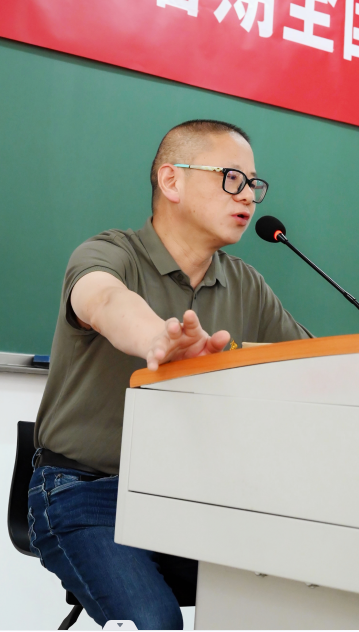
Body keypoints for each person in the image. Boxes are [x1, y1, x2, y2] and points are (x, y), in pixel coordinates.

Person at [28, 119, 310, 630]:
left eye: (253, 183)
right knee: (155, 621)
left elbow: (311, 364)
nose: (248, 195)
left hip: (194, 496)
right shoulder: (108, 253)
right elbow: (105, 301)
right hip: (83, 490)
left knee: (293, 590)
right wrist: (157, 338)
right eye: (232, 178)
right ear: (171, 180)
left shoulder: (246, 284)